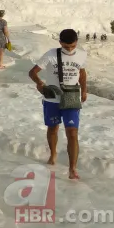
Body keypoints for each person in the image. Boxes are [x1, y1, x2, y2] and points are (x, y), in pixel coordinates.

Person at [28, 29, 87, 180]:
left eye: (72, 46)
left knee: (72, 133)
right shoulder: (50, 55)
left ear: (76, 43)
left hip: (71, 99)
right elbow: (32, 72)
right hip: (52, 99)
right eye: (66, 47)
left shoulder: (81, 54)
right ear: (60, 43)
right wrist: (40, 83)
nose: (70, 50)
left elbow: (82, 73)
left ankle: (72, 168)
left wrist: (84, 91)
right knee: (53, 129)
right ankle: (53, 153)